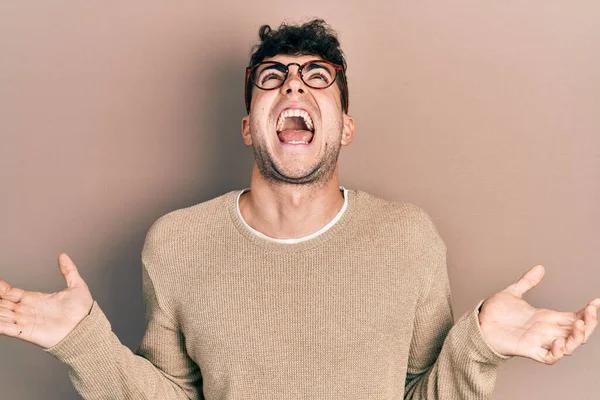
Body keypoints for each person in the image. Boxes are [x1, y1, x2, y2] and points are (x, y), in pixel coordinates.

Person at [0, 19, 598, 400]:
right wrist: (81, 341)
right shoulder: (177, 241)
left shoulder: (406, 238)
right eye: (273, 78)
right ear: (246, 126)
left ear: (346, 126)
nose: (293, 87)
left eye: (317, 77)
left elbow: (422, 396)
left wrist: (478, 346)